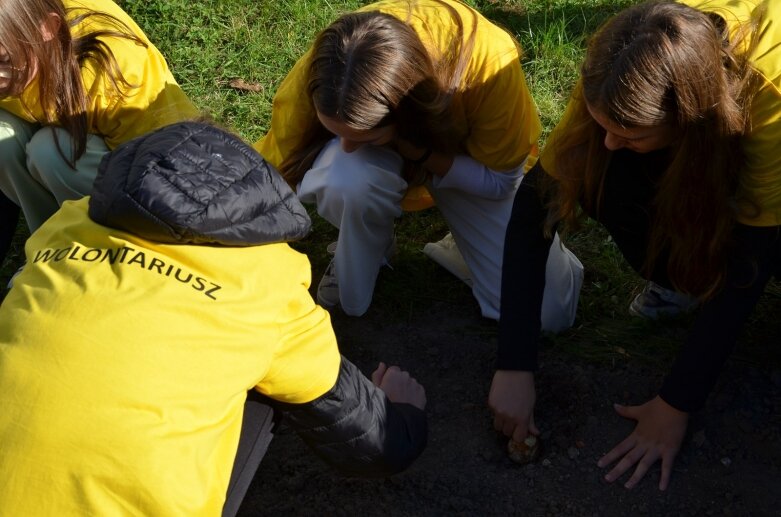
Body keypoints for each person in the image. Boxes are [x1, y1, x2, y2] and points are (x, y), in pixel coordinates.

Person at [0, 121, 428, 515]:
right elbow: (369, 440)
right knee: (270, 385)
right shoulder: (270, 280)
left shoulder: (68, 224)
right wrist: (403, 415)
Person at [495, 0, 780, 491]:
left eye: (629, 134)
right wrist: (514, 363)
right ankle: (683, 280)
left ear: (690, 121)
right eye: (602, 123)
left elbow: (752, 259)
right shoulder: (623, 65)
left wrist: (676, 404)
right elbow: (533, 206)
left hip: (760, 143)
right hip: (702, 138)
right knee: (604, 173)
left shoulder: (770, 99)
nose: (608, 141)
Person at [254, 0, 583, 324]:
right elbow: (274, 172)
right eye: (334, 133)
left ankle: (464, 244)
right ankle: (369, 239)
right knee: (345, 176)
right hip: (414, 148)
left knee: (546, 311)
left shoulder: (490, 64)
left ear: (411, 117)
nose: (347, 148)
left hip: (470, 166)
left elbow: (500, 181)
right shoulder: (327, 70)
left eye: (364, 138)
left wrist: (420, 154)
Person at [0, 0, 199, 264]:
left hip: (145, 163)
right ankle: (46, 249)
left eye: (3, 59)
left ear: (47, 29)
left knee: (51, 152)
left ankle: (93, 252)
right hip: (52, 117)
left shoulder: (116, 72)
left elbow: (169, 171)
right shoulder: (15, 54)